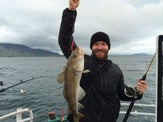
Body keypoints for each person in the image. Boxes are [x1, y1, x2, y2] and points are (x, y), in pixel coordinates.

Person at [58, 0, 147, 122]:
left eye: (103, 44)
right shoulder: (82, 61)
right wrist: (71, 11)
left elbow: (121, 93)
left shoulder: (116, 70)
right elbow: (65, 40)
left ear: (108, 47)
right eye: (96, 44)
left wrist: (138, 92)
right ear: (91, 47)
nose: (100, 47)